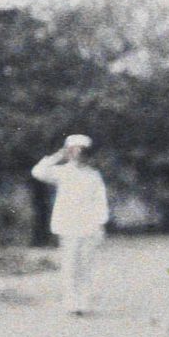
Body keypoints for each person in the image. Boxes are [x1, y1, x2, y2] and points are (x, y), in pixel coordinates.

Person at [31, 133, 110, 314]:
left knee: (86, 265)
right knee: (70, 265)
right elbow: (37, 172)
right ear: (68, 152)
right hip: (68, 224)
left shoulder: (93, 175)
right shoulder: (62, 171)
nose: (77, 154)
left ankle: (84, 303)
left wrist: (101, 224)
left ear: (86, 153)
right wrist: (57, 156)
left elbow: (100, 201)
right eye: (73, 150)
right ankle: (71, 303)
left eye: (81, 150)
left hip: (89, 225)